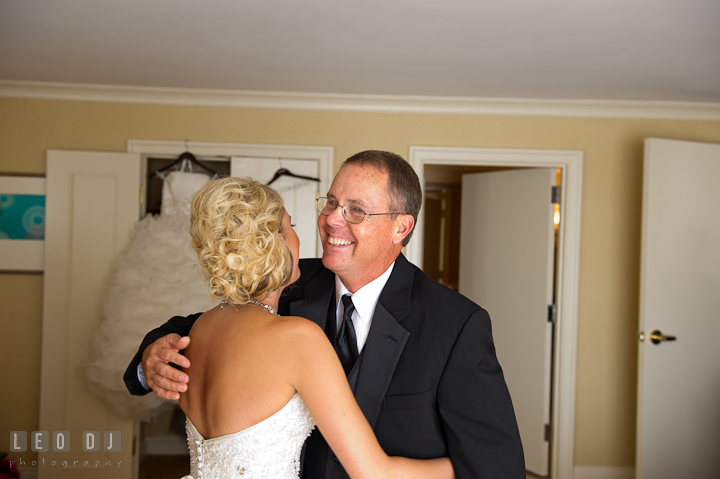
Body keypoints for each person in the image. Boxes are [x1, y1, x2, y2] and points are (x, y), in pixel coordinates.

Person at [124, 150, 526, 478]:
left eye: (355, 210)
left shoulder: (455, 325)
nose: (332, 219)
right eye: (331, 202)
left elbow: (496, 464)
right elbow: (208, 326)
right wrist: (150, 359)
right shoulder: (287, 279)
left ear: (401, 227)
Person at [176, 176, 453, 478]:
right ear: (273, 242)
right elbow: (374, 472)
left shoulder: (201, 328)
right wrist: (467, 466)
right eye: (291, 228)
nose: (298, 240)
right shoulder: (298, 339)